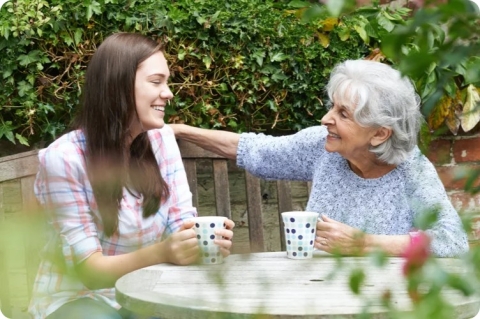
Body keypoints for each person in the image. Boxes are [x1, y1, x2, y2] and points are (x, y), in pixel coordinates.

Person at [170, 59, 469, 258]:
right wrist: (180, 130)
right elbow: (255, 150)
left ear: (379, 134)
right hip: (315, 295)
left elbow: (453, 241)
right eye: (331, 107)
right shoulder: (322, 146)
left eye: (342, 114)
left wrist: (364, 244)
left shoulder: (411, 170)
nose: (326, 119)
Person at [29, 32, 235, 319]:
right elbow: (90, 272)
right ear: (120, 87)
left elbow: (181, 224)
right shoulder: (64, 159)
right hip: (79, 300)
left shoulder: (161, 140)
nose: (168, 93)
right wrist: (164, 252)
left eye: (167, 81)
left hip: (149, 293)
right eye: (156, 82)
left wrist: (200, 243)